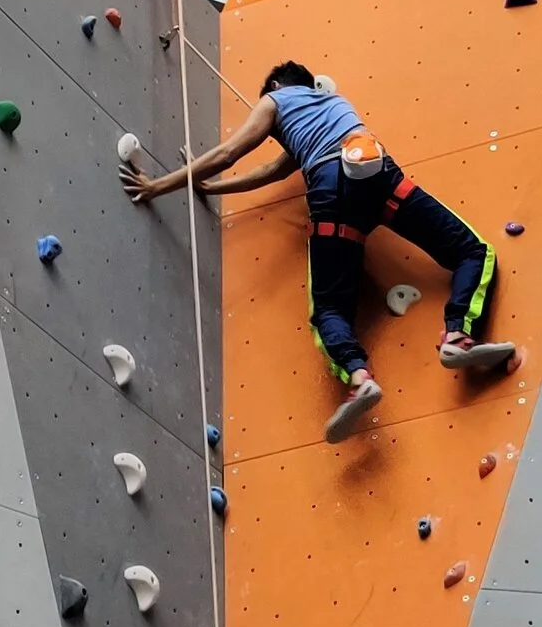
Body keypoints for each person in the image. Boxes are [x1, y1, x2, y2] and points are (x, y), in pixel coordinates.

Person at [122, 60, 516, 440]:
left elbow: (229, 154)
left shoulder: (276, 100)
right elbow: (271, 172)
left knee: (329, 309)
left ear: (276, 86)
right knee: (472, 252)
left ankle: (359, 377)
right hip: (376, 174)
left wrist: (159, 186)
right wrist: (211, 189)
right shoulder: (331, 105)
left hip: (331, 193)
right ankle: (457, 336)